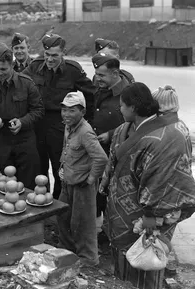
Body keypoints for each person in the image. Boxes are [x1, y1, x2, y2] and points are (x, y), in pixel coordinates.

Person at [100, 82, 195, 289]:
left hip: (149, 216)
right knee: (125, 266)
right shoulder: (126, 128)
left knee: (147, 263)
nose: (120, 110)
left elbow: (163, 184)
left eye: (122, 106)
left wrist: (151, 222)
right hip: (122, 212)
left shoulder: (169, 136)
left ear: (133, 108)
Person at [23, 33, 96, 199]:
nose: (49, 59)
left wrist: (86, 122)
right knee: (39, 168)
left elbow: (91, 96)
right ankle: (41, 201)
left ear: (63, 52)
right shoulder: (34, 67)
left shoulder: (73, 70)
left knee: (60, 168)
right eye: (47, 55)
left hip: (61, 127)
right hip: (38, 125)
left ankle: (58, 203)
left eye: (54, 55)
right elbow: (20, 83)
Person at [0, 43, 44, 189]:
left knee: (28, 184)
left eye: (4, 69)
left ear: (12, 64)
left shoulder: (27, 84)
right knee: (2, 184)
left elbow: (38, 110)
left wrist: (22, 122)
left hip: (24, 140)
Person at [57, 91, 108, 267]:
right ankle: (68, 252)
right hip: (68, 182)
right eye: (64, 110)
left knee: (83, 224)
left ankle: (89, 259)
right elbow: (67, 148)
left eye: (72, 110)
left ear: (82, 112)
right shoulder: (68, 126)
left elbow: (101, 158)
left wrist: (90, 179)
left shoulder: (86, 132)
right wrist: (62, 168)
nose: (66, 114)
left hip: (82, 185)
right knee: (63, 217)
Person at [91, 52, 130, 236]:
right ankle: (102, 231)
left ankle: (113, 233)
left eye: (101, 75)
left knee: (114, 194)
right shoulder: (100, 88)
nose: (96, 78)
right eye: (96, 74)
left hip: (119, 152)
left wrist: (111, 134)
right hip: (98, 151)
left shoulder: (129, 94)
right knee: (99, 191)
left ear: (115, 74)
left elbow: (137, 123)